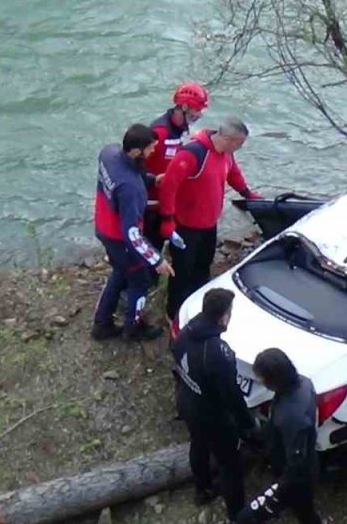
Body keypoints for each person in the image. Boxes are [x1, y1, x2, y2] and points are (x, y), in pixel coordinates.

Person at [209, 348, 328, 524]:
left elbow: (296, 461)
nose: (259, 380)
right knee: (305, 510)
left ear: (274, 378)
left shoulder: (293, 417)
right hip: (307, 467)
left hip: (294, 477)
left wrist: (279, 489)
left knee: (247, 517)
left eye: (262, 377)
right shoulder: (303, 384)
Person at [159, 116, 260, 332]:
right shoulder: (192, 154)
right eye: (239, 143)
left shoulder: (226, 154)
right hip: (185, 226)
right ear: (228, 138)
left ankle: (197, 306)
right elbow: (169, 185)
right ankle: (173, 313)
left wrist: (247, 194)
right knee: (182, 272)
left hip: (208, 223)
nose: (240, 148)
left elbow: (233, 174)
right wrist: (167, 220)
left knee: (203, 267)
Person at [172, 288, 253, 524]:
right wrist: (247, 424)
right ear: (223, 317)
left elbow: (176, 360)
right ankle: (237, 519)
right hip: (212, 415)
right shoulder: (217, 352)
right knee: (230, 466)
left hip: (187, 401)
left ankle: (202, 488)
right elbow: (232, 394)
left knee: (198, 444)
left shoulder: (185, 332)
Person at [92, 125, 175, 341]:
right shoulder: (131, 190)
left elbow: (124, 174)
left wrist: (150, 179)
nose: (152, 153)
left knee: (120, 273)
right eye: (150, 149)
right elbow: (132, 234)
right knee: (140, 281)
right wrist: (156, 260)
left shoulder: (108, 153)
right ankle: (133, 328)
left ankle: (102, 323)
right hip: (120, 238)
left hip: (102, 226)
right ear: (137, 151)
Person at [144, 82, 210, 248]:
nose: (199, 115)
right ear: (185, 107)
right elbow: (136, 166)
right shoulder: (160, 132)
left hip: (166, 200)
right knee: (151, 248)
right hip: (151, 204)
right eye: (197, 110)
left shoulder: (181, 128)